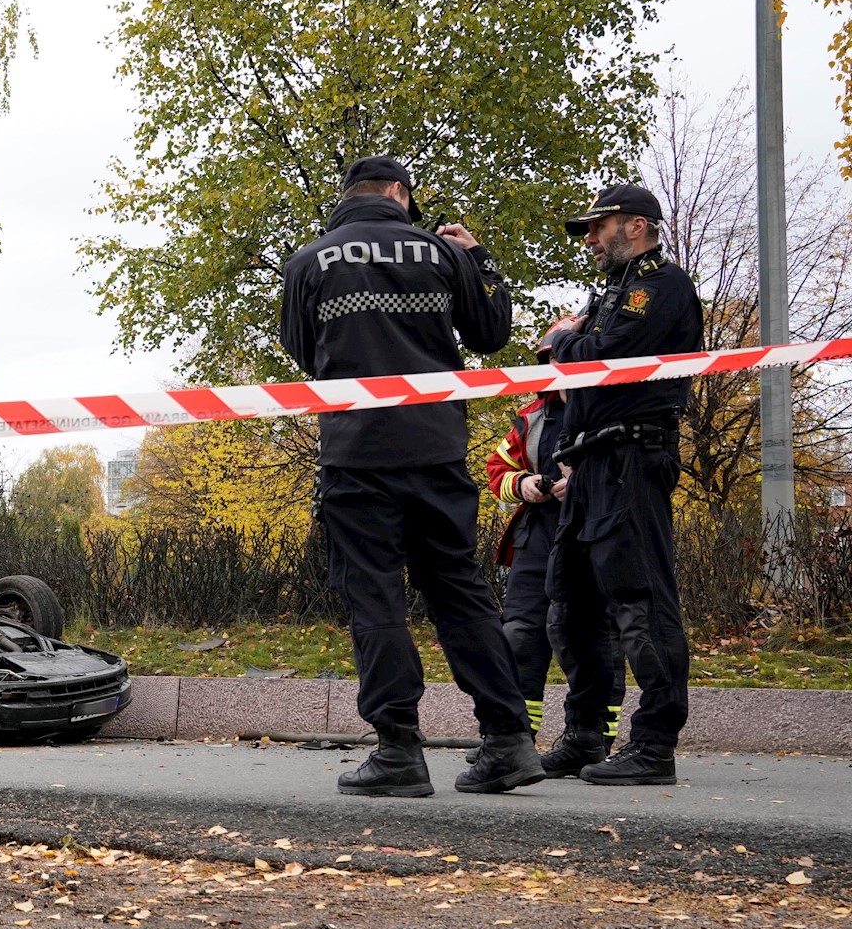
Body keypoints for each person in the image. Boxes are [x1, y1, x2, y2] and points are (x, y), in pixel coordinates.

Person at [280, 156, 542, 797]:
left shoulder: (310, 260)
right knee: (460, 595)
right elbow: (490, 334)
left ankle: (399, 751)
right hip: (436, 450)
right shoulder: (441, 253)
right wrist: (478, 258)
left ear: (351, 196)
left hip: (358, 455)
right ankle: (508, 741)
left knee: (375, 601)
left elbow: (299, 347)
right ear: (400, 193)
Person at [540, 183, 704, 785]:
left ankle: (655, 744)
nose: (589, 239)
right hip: (590, 464)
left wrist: (562, 341)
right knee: (572, 607)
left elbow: (601, 355)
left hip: (631, 457)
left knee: (640, 602)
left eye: (597, 226)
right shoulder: (611, 290)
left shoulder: (658, 284)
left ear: (635, 226)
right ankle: (586, 736)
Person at [485, 393, 627, 771]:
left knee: (594, 638)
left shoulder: (617, 405)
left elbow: (640, 468)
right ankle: (515, 740)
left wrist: (584, 483)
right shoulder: (532, 416)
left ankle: (592, 738)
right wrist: (525, 484)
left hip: (596, 529)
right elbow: (497, 469)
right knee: (519, 634)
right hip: (539, 532)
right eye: (552, 361)